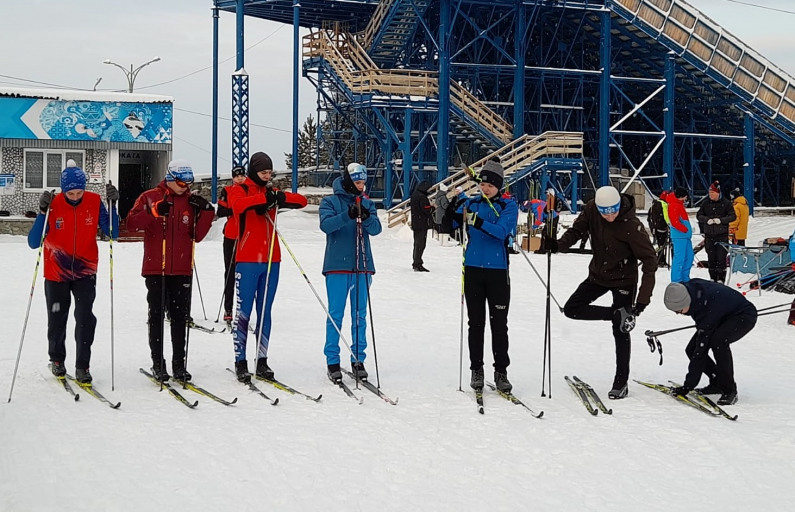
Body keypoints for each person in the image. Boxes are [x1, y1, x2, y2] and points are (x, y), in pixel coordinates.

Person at [545, 185, 657, 399]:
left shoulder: (632, 226)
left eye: (613, 211)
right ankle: (614, 315)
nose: (609, 216)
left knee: (621, 330)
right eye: (604, 211)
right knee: (572, 309)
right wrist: (558, 245)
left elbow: (650, 262)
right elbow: (576, 231)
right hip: (598, 274)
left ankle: (621, 381)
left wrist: (643, 300)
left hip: (624, 279)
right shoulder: (591, 210)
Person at [28, 162, 119, 383]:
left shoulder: (94, 201)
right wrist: (42, 212)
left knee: (85, 318)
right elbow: (33, 242)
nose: (76, 196)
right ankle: (57, 359)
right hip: (56, 273)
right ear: (63, 189)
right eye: (71, 192)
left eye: (80, 191)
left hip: (85, 271)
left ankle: (83, 365)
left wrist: (113, 205)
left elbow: (112, 232)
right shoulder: (54, 203)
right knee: (57, 318)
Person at [126, 159, 215, 382]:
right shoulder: (150, 196)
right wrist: (154, 212)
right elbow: (131, 224)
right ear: (170, 179)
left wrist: (206, 212)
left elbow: (198, 235)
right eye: (181, 182)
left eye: (189, 183)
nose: (186, 187)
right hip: (157, 267)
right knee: (156, 316)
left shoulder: (190, 201)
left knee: (179, 317)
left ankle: (179, 364)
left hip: (182, 268)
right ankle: (158, 363)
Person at [227, 152, 307, 383]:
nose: (267, 176)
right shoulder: (241, 188)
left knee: (265, 311)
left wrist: (278, 197)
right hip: (247, 258)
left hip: (272, 258)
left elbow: (300, 202)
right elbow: (237, 206)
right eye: (263, 173)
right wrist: (263, 200)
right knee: (244, 312)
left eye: (270, 173)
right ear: (254, 171)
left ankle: (262, 359)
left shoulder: (269, 190)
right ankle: (240, 361)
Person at [319, 163, 382, 382]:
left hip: (362, 266)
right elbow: (326, 225)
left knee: (359, 315)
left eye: (363, 182)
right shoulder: (330, 201)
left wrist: (366, 217)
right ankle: (332, 360)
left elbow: (376, 229)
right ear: (348, 181)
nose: (361, 186)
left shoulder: (366, 202)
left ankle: (358, 359)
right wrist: (347, 215)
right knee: (336, 314)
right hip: (337, 265)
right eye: (357, 182)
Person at [460, 160, 518, 392]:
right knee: (476, 324)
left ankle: (501, 371)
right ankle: (477, 369)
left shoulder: (508, 206)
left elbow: (502, 231)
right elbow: (449, 222)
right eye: (482, 184)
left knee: (499, 324)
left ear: (499, 186)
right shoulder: (473, 203)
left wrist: (480, 222)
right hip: (473, 270)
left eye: (490, 186)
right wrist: (451, 207)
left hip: (497, 272)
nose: (485, 188)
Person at [664, 280, 757, 405]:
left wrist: (688, 386)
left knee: (718, 342)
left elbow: (700, 352)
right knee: (691, 349)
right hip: (721, 315)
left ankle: (729, 390)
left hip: (743, 315)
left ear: (687, 302)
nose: (677, 314)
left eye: (679, 310)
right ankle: (716, 381)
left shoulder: (706, 307)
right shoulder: (688, 292)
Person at [216, 166, 247, 325]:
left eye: (242, 175)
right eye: (237, 176)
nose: (240, 178)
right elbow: (220, 211)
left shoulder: (249, 190)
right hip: (231, 235)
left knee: (246, 273)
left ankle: (244, 310)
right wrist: (234, 208)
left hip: (246, 236)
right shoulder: (227, 191)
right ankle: (228, 308)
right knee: (230, 272)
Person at [696, 181, 736, 283]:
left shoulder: (726, 203)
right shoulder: (705, 203)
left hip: (722, 236)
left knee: (721, 259)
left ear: (718, 193)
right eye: (709, 193)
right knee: (711, 258)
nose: (711, 195)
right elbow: (699, 215)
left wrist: (721, 220)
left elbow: (732, 216)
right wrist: (706, 220)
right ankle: (712, 278)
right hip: (709, 235)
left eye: (713, 193)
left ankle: (721, 279)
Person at [665, 188, 694, 283]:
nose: (686, 198)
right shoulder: (673, 205)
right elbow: (674, 222)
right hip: (679, 236)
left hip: (684, 236)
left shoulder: (679, 205)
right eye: (685, 196)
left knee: (689, 257)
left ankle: (685, 278)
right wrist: (685, 229)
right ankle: (676, 280)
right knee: (680, 259)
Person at [410, 179, 433, 271]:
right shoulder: (422, 197)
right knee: (421, 244)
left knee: (417, 244)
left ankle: (416, 261)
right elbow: (426, 209)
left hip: (416, 222)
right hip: (422, 223)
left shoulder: (414, 195)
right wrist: (433, 207)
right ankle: (417, 263)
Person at [647, 193, 670, 268]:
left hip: (655, 228)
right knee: (662, 245)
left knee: (660, 244)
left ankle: (659, 259)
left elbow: (649, 217)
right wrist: (669, 225)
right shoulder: (664, 204)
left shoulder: (654, 205)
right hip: (662, 228)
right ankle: (661, 261)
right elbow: (666, 216)